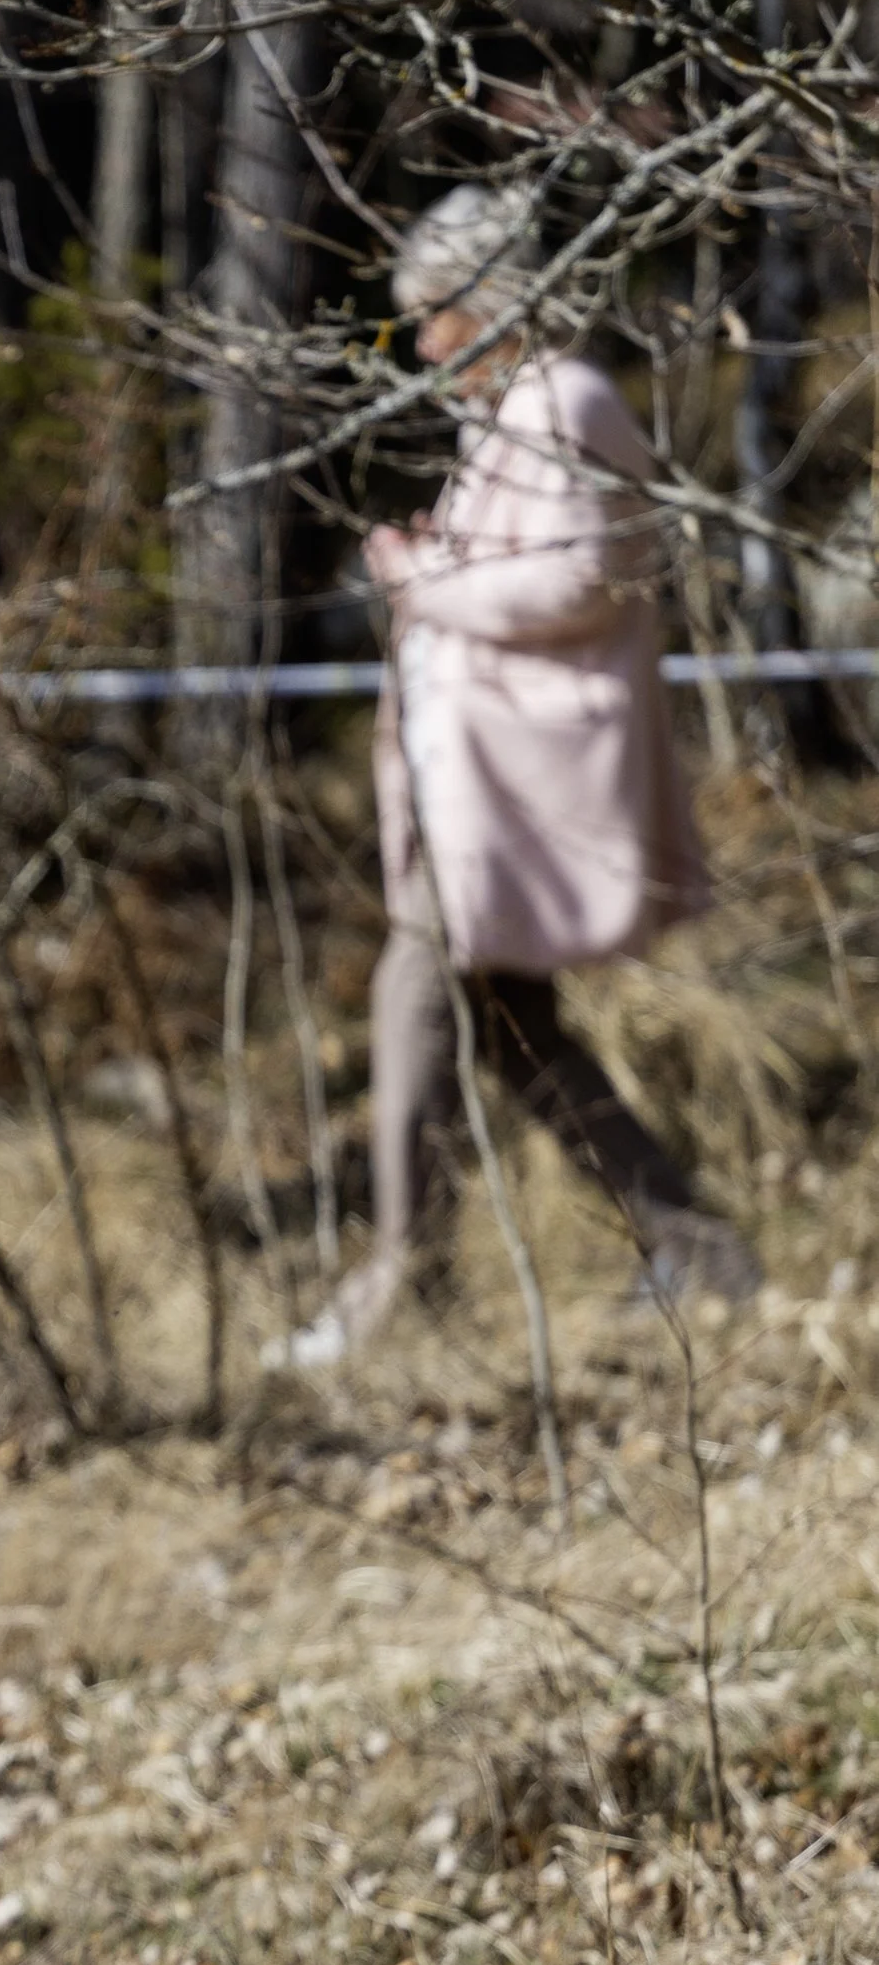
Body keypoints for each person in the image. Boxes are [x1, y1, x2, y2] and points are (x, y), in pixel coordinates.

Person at [276, 185, 759, 1371]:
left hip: (519, 787)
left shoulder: (566, 401)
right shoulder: (511, 414)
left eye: (432, 316)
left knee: (418, 990)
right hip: (475, 784)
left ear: (490, 302)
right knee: (511, 1026)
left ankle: (404, 1276)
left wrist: (418, 583)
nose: (423, 345)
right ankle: (697, 1244)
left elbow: (579, 580)